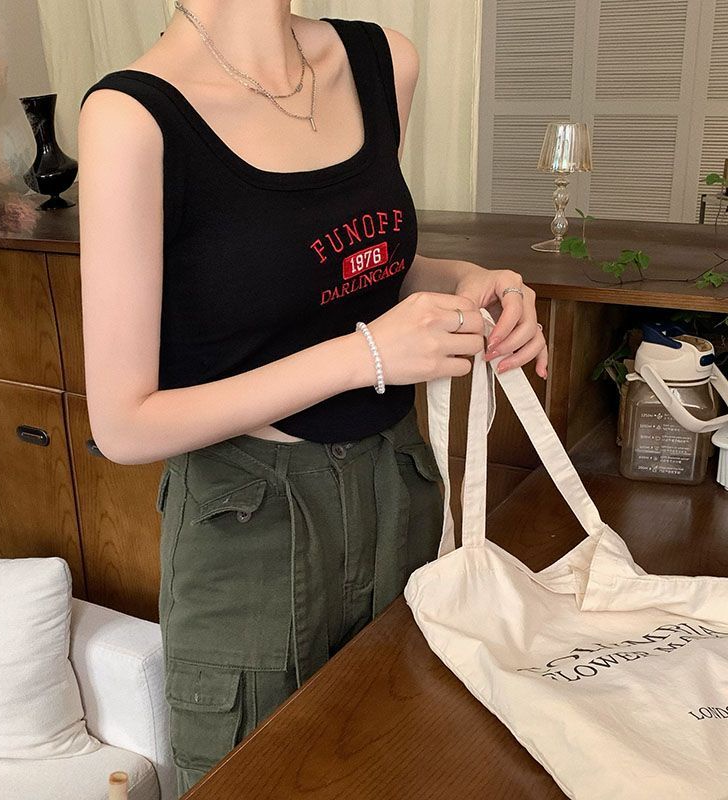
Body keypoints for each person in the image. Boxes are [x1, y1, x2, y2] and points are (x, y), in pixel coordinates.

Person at [77, 2, 548, 792]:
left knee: (401, 764)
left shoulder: (382, 62)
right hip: (248, 525)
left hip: (398, 484)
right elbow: (124, 423)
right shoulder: (132, 116)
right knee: (253, 780)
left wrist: (469, 280)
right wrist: (366, 356)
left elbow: (351, 269)